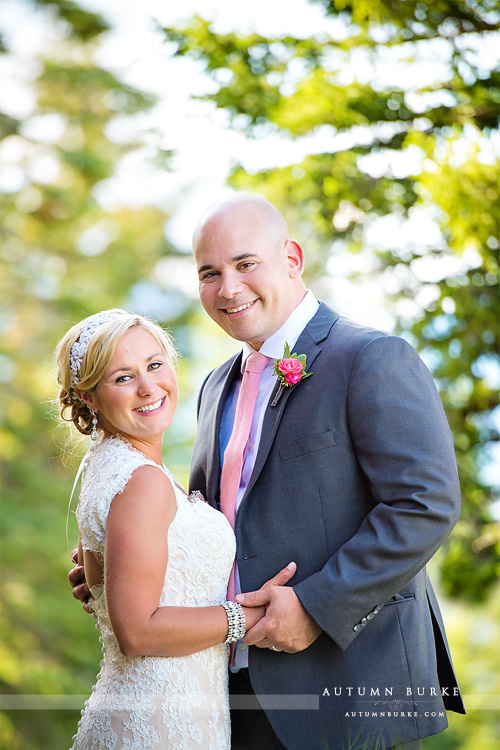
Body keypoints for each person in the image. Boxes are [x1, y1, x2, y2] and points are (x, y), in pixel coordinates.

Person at [70, 193, 465, 750]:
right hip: (226, 696)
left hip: (344, 688)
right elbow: (214, 523)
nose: (228, 288)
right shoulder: (212, 387)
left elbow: (425, 504)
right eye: (210, 273)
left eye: (245, 263)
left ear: (293, 258)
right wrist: (127, 563)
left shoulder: (371, 357)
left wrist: (314, 607)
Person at [56, 308, 295, 750]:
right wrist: (255, 617)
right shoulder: (141, 480)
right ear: (87, 397)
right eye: (122, 377)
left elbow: (100, 585)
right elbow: (137, 631)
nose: (148, 387)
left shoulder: (105, 464)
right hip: (161, 724)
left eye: (154, 365)